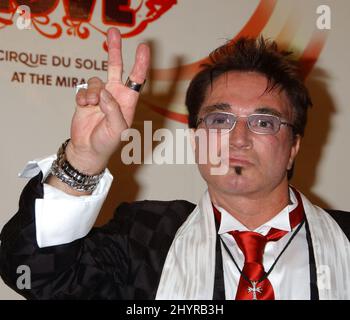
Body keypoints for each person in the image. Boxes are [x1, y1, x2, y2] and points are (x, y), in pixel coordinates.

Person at [0, 27, 349, 300]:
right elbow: (31, 272)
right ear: (196, 138)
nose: (238, 139)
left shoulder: (345, 240)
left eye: (263, 122)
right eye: (219, 121)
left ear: (293, 147)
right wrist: (84, 158)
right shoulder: (146, 237)